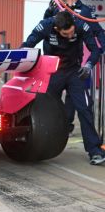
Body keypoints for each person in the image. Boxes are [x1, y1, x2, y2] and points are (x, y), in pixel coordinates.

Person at [22, 11, 105, 165]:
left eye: (72, 31)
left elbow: (95, 50)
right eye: (66, 33)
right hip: (52, 72)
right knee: (45, 111)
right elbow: (27, 45)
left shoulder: (81, 25)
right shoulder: (46, 25)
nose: (70, 35)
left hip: (75, 72)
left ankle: (95, 151)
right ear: (56, 28)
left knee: (84, 109)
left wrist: (88, 66)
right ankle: (43, 146)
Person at [44, 0, 105, 136]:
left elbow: (97, 30)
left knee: (76, 99)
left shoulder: (83, 10)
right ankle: (55, 128)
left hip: (74, 64)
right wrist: (49, 10)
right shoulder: (56, 7)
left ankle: (67, 125)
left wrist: (102, 48)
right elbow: (45, 26)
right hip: (54, 65)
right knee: (51, 100)